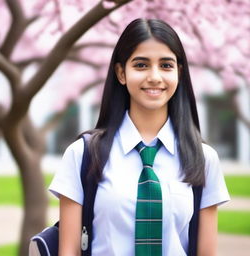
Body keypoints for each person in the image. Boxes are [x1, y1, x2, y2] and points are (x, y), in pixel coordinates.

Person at [49, 18, 230, 256]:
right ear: (121, 73)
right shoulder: (82, 154)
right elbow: (68, 252)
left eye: (166, 65)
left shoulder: (203, 159)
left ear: (179, 73)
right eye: (141, 65)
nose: (154, 76)